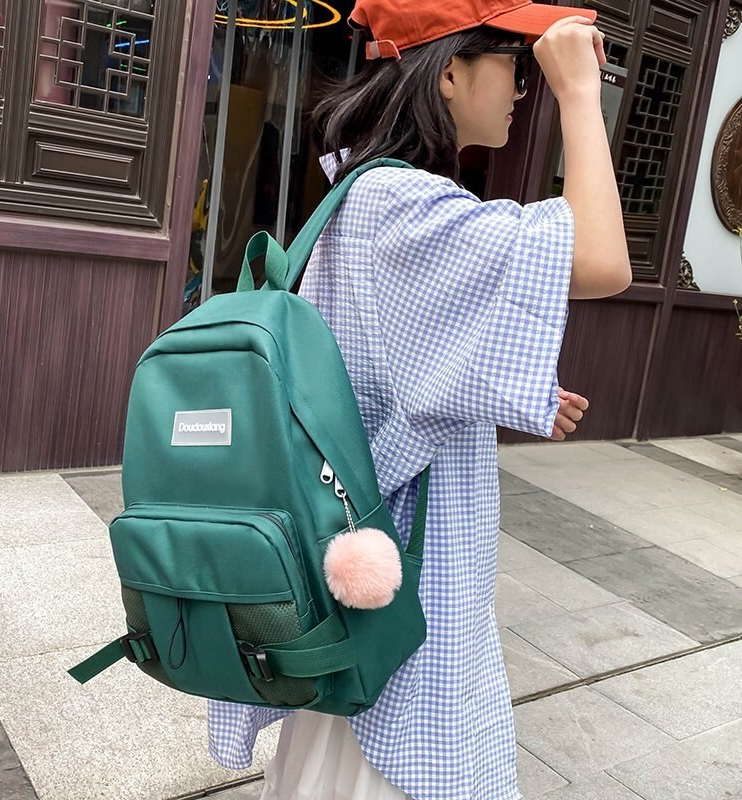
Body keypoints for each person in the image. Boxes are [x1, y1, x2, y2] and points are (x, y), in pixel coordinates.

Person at [208, 1, 632, 798]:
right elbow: (606, 262)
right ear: (448, 72)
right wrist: (581, 94)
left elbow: (390, 374)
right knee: (390, 758)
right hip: (403, 574)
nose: (524, 85)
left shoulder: (361, 195)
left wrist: (520, 386)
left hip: (359, 561)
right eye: (509, 58)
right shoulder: (407, 207)